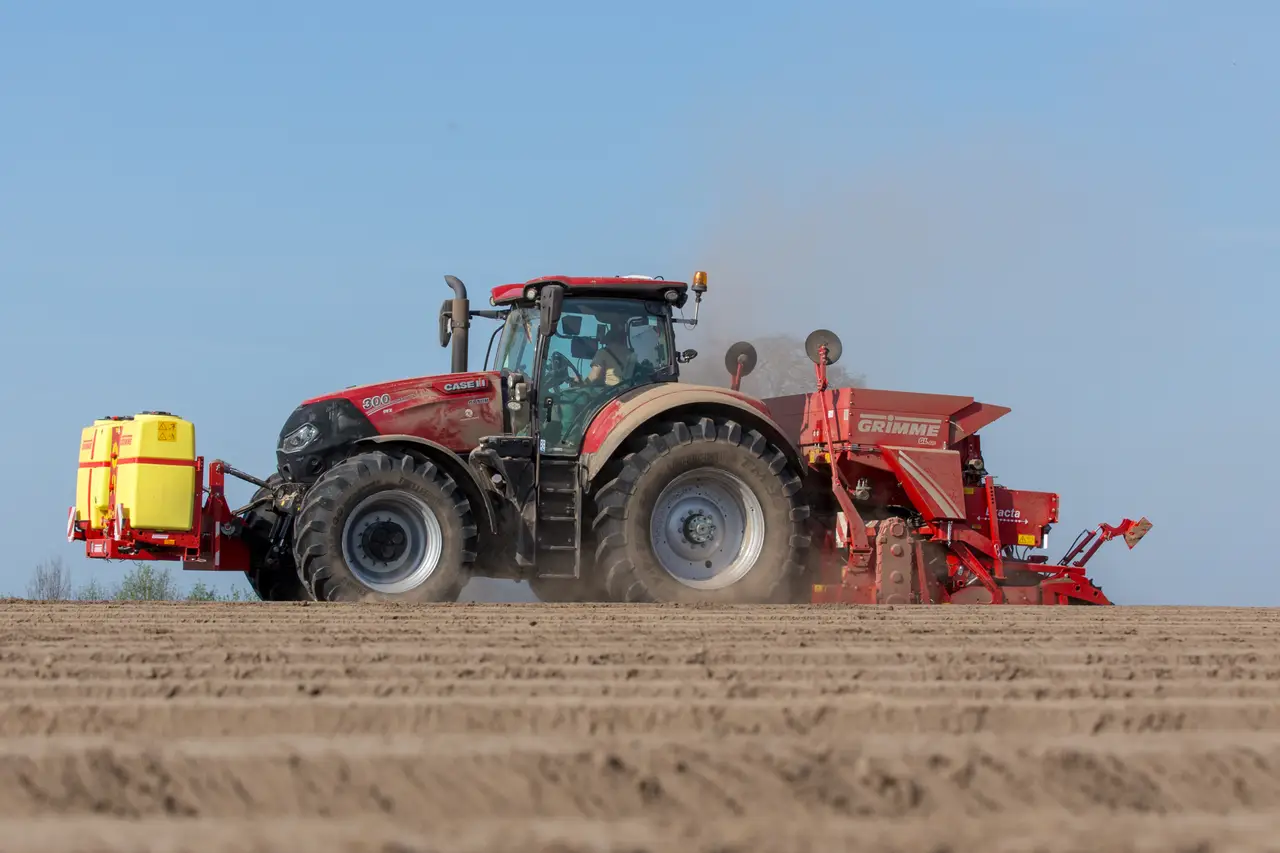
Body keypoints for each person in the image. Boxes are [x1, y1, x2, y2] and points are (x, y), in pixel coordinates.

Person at [582, 321, 635, 387]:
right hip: (629, 391)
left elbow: (594, 376)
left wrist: (582, 385)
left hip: (612, 392)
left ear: (607, 340)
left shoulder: (603, 352)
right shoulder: (631, 354)